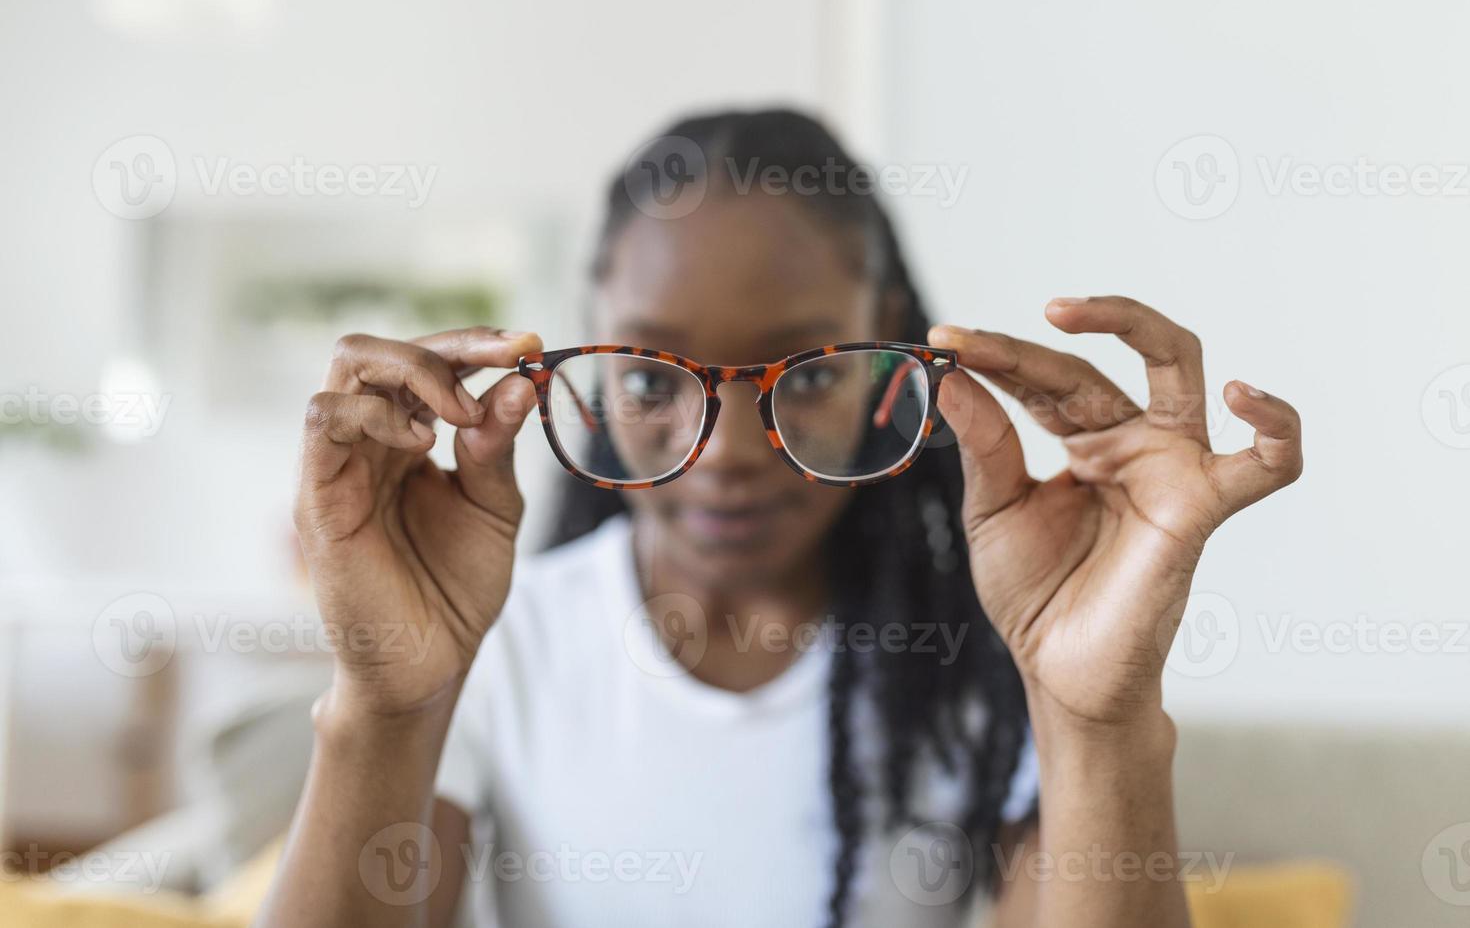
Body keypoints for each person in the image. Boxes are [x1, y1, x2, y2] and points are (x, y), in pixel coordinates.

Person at [259, 110, 1303, 928]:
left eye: (804, 375)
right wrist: (386, 704)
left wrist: (1100, 719)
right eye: (655, 373)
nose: (728, 451)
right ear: (595, 359)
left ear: (886, 357)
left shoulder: (979, 662)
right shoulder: (502, 649)